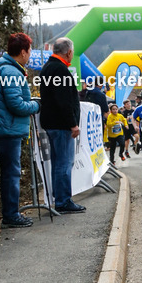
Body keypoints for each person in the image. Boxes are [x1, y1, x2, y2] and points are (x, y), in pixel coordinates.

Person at [0, 32, 40, 228]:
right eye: (29, 51)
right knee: (12, 173)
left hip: (1, 126)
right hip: (7, 129)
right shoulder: (11, 72)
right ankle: (11, 216)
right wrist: (36, 106)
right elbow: (16, 105)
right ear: (22, 52)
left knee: (8, 172)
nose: (29, 55)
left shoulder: (0, 67)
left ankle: (10, 214)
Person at [38, 38, 85, 213]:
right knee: (64, 163)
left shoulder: (48, 67)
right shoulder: (60, 69)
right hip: (61, 124)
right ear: (69, 52)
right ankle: (63, 201)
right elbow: (64, 101)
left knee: (58, 163)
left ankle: (60, 199)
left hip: (51, 122)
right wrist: (73, 124)